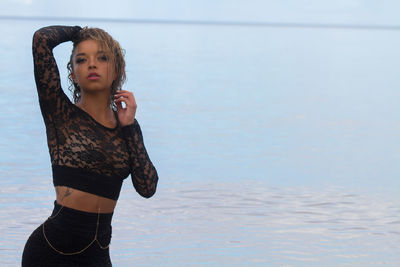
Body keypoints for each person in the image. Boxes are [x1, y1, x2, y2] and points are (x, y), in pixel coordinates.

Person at [22, 25, 159, 266]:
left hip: (97, 255)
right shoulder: (60, 115)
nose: (92, 64)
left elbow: (147, 187)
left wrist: (130, 127)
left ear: (116, 69)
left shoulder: (125, 129)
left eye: (102, 57)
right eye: (82, 60)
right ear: (73, 74)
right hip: (50, 253)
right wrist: (80, 31)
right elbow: (41, 39)